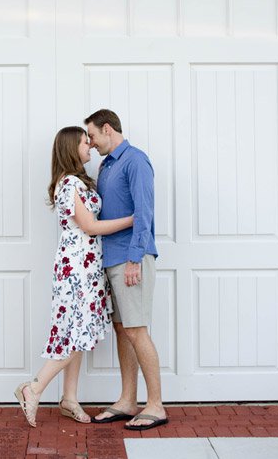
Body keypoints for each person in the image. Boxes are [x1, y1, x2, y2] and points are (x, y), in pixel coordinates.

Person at [14, 126, 133, 427]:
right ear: (71, 148)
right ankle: (34, 388)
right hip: (76, 270)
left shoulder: (79, 182)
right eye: (84, 142)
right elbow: (90, 227)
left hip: (87, 267)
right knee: (73, 335)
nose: (90, 146)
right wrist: (132, 220)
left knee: (77, 333)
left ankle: (69, 399)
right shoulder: (69, 184)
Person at [85, 109, 168, 431]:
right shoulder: (107, 165)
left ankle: (156, 405)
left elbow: (144, 213)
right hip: (111, 258)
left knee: (136, 329)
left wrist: (135, 259)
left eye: (92, 135)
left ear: (107, 129)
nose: (90, 144)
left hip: (131, 259)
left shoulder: (136, 160)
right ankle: (127, 400)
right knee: (123, 329)